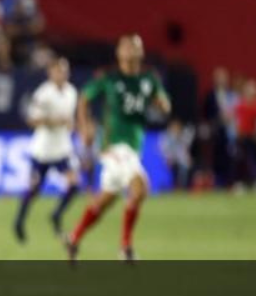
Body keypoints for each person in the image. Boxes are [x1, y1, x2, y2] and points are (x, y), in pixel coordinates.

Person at [65, 34, 171, 263]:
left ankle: (73, 238)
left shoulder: (149, 80)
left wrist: (162, 105)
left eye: (136, 46)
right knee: (140, 188)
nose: (131, 50)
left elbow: (164, 103)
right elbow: (83, 98)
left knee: (106, 199)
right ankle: (125, 248)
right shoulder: (110, 79)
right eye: (127, 46)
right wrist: (84, 127)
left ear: (141, 53)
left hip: (134, 148)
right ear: (119, 53)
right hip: (114, 146)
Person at [14, 57, 80, 243]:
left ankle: (56, 214)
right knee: (34, 189)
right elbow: (32, 120)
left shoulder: (71, 92)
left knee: (74, 184)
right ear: (51, 73)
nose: (62, 74)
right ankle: (19, 220)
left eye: (65, 71)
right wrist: (54, 121)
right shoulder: (43, 93)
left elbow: (69, 119)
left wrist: (72, 125)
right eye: (58, 71)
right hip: (42, 150)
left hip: (62, 148)